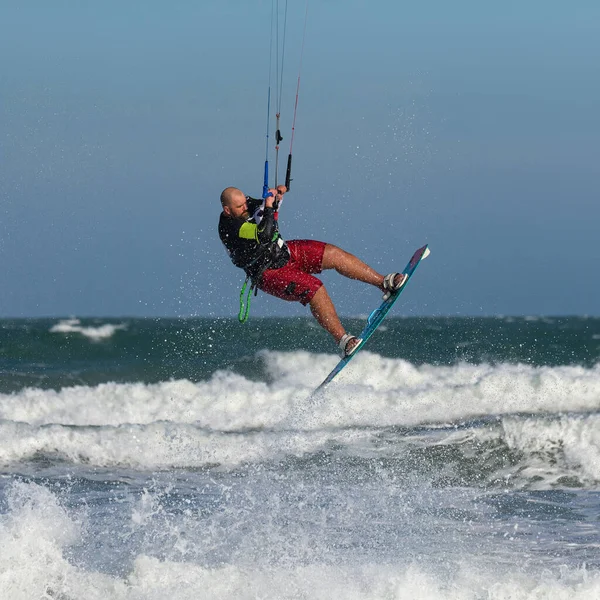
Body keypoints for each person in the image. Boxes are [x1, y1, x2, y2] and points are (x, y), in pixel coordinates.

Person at [218, 185, 407, 357]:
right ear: (227, 210)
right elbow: (264, 234)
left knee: (333, 254)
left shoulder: (243, 204)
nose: (245, 207)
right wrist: (269, 207)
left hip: (284, 252)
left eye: (244, 203)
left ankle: (384, 283)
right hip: (269, 273)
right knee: (315, 289)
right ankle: (343, 341)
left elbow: (262, 205)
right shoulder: (231, 228)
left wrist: (276, 196)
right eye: (239, 207)